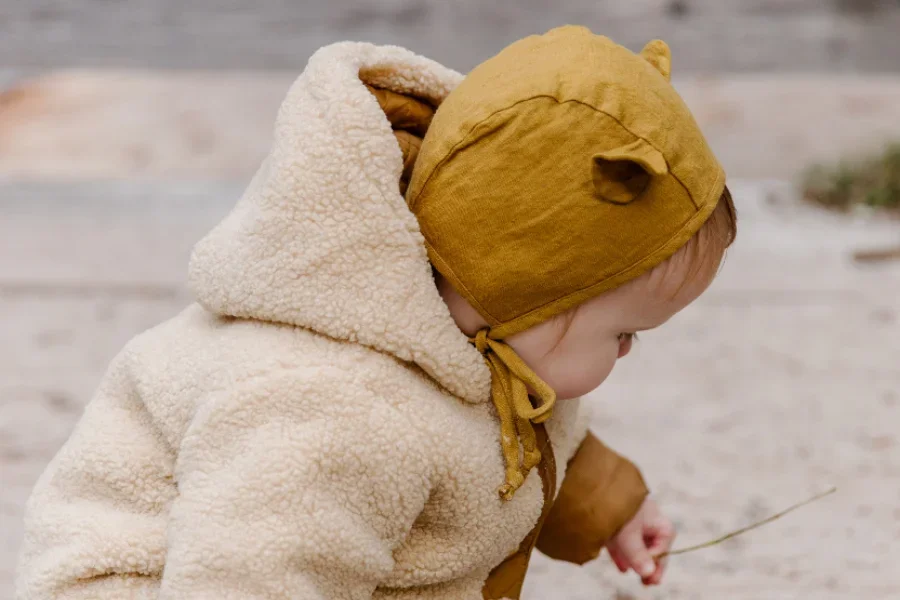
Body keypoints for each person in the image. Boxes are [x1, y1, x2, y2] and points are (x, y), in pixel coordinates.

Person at [17, 26, 736, 600]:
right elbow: (253, 576)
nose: (628, 351)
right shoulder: (338, 415)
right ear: (531, 290)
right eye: (624, 332)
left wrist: (610, 506)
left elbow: (527, 435)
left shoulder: (486, 337)